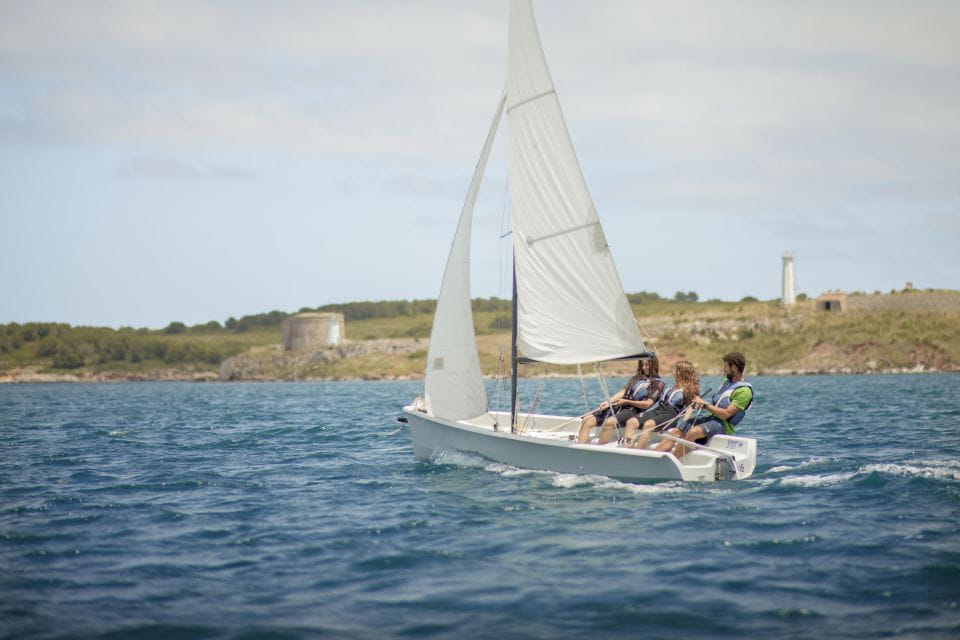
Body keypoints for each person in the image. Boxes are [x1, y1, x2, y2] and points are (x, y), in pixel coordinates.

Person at [656, 352, 754, 459]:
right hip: (710, 419)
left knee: (692, 433)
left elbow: (726, 415)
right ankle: (655, 457)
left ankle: (671, 461)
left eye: (725, 366)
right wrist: (699, 404)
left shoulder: (745, 391)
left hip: (723, 425)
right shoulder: (727, 382)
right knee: (676, 431)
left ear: (734, 367)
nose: (723, 369)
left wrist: (705, 405)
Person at [576, 357, 664, 444]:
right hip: (618, 405)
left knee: (609, 422)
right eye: (642, 365)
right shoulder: (636, 378)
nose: (644, 367)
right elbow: (624, 391)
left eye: (647, 365)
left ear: (654, 365)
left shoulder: (658, 383)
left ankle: (600, 451)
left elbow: (648, 404)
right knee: (587, 420)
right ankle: (580, 450)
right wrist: (608, 402)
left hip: (633, 411)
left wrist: (627, 402)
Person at [627, 360, 700, 449]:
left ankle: (638, 452)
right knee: (631, 421)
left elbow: (689, 410)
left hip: (670, 414)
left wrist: (683, 428)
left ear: (683, 373)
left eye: (676, 370)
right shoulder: (673, 387)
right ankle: (627, 447)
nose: (674, 372)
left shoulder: (690, 391)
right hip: (659, 409)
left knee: (648, 424)